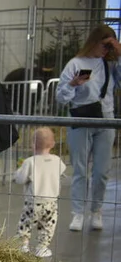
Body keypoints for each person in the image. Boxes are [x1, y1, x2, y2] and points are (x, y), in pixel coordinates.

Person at [56, 24, 121, 232]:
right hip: (81, 117)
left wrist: (118, 52)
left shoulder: (110, 65)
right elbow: (60, 97)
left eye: (109, 46)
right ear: (94, 41)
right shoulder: (75, 63)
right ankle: (78, 212)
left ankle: (96, 210)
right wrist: (73, 85)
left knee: (102, 170)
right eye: (104, 44)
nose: (105, 49)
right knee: (80, 170)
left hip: (105, 118)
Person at [13, 127, 65, 258]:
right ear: (53, 144)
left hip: (34, 202)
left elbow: (20, 179)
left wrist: (19, 169)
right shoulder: (57, 160)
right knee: (48, 225)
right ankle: (42, 248)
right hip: (51, 201)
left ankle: (23, 245)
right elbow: (61, 171)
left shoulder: (30, 161)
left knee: (26, 223)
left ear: (33, 144)